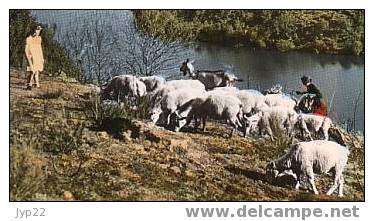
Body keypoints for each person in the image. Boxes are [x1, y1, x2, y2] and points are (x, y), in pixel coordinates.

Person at [25, 25, 44, 90]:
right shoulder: (29, 38)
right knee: (32, 70)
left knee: (37, 70)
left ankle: (36, 83)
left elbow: (39, 48)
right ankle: (29, 85)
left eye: (39, 30)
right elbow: (26, 49)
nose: (38, 31)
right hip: (32, 56)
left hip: (37, 56)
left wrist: (42, 57)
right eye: (37, 30)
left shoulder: (39, 38)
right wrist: (28, 56)